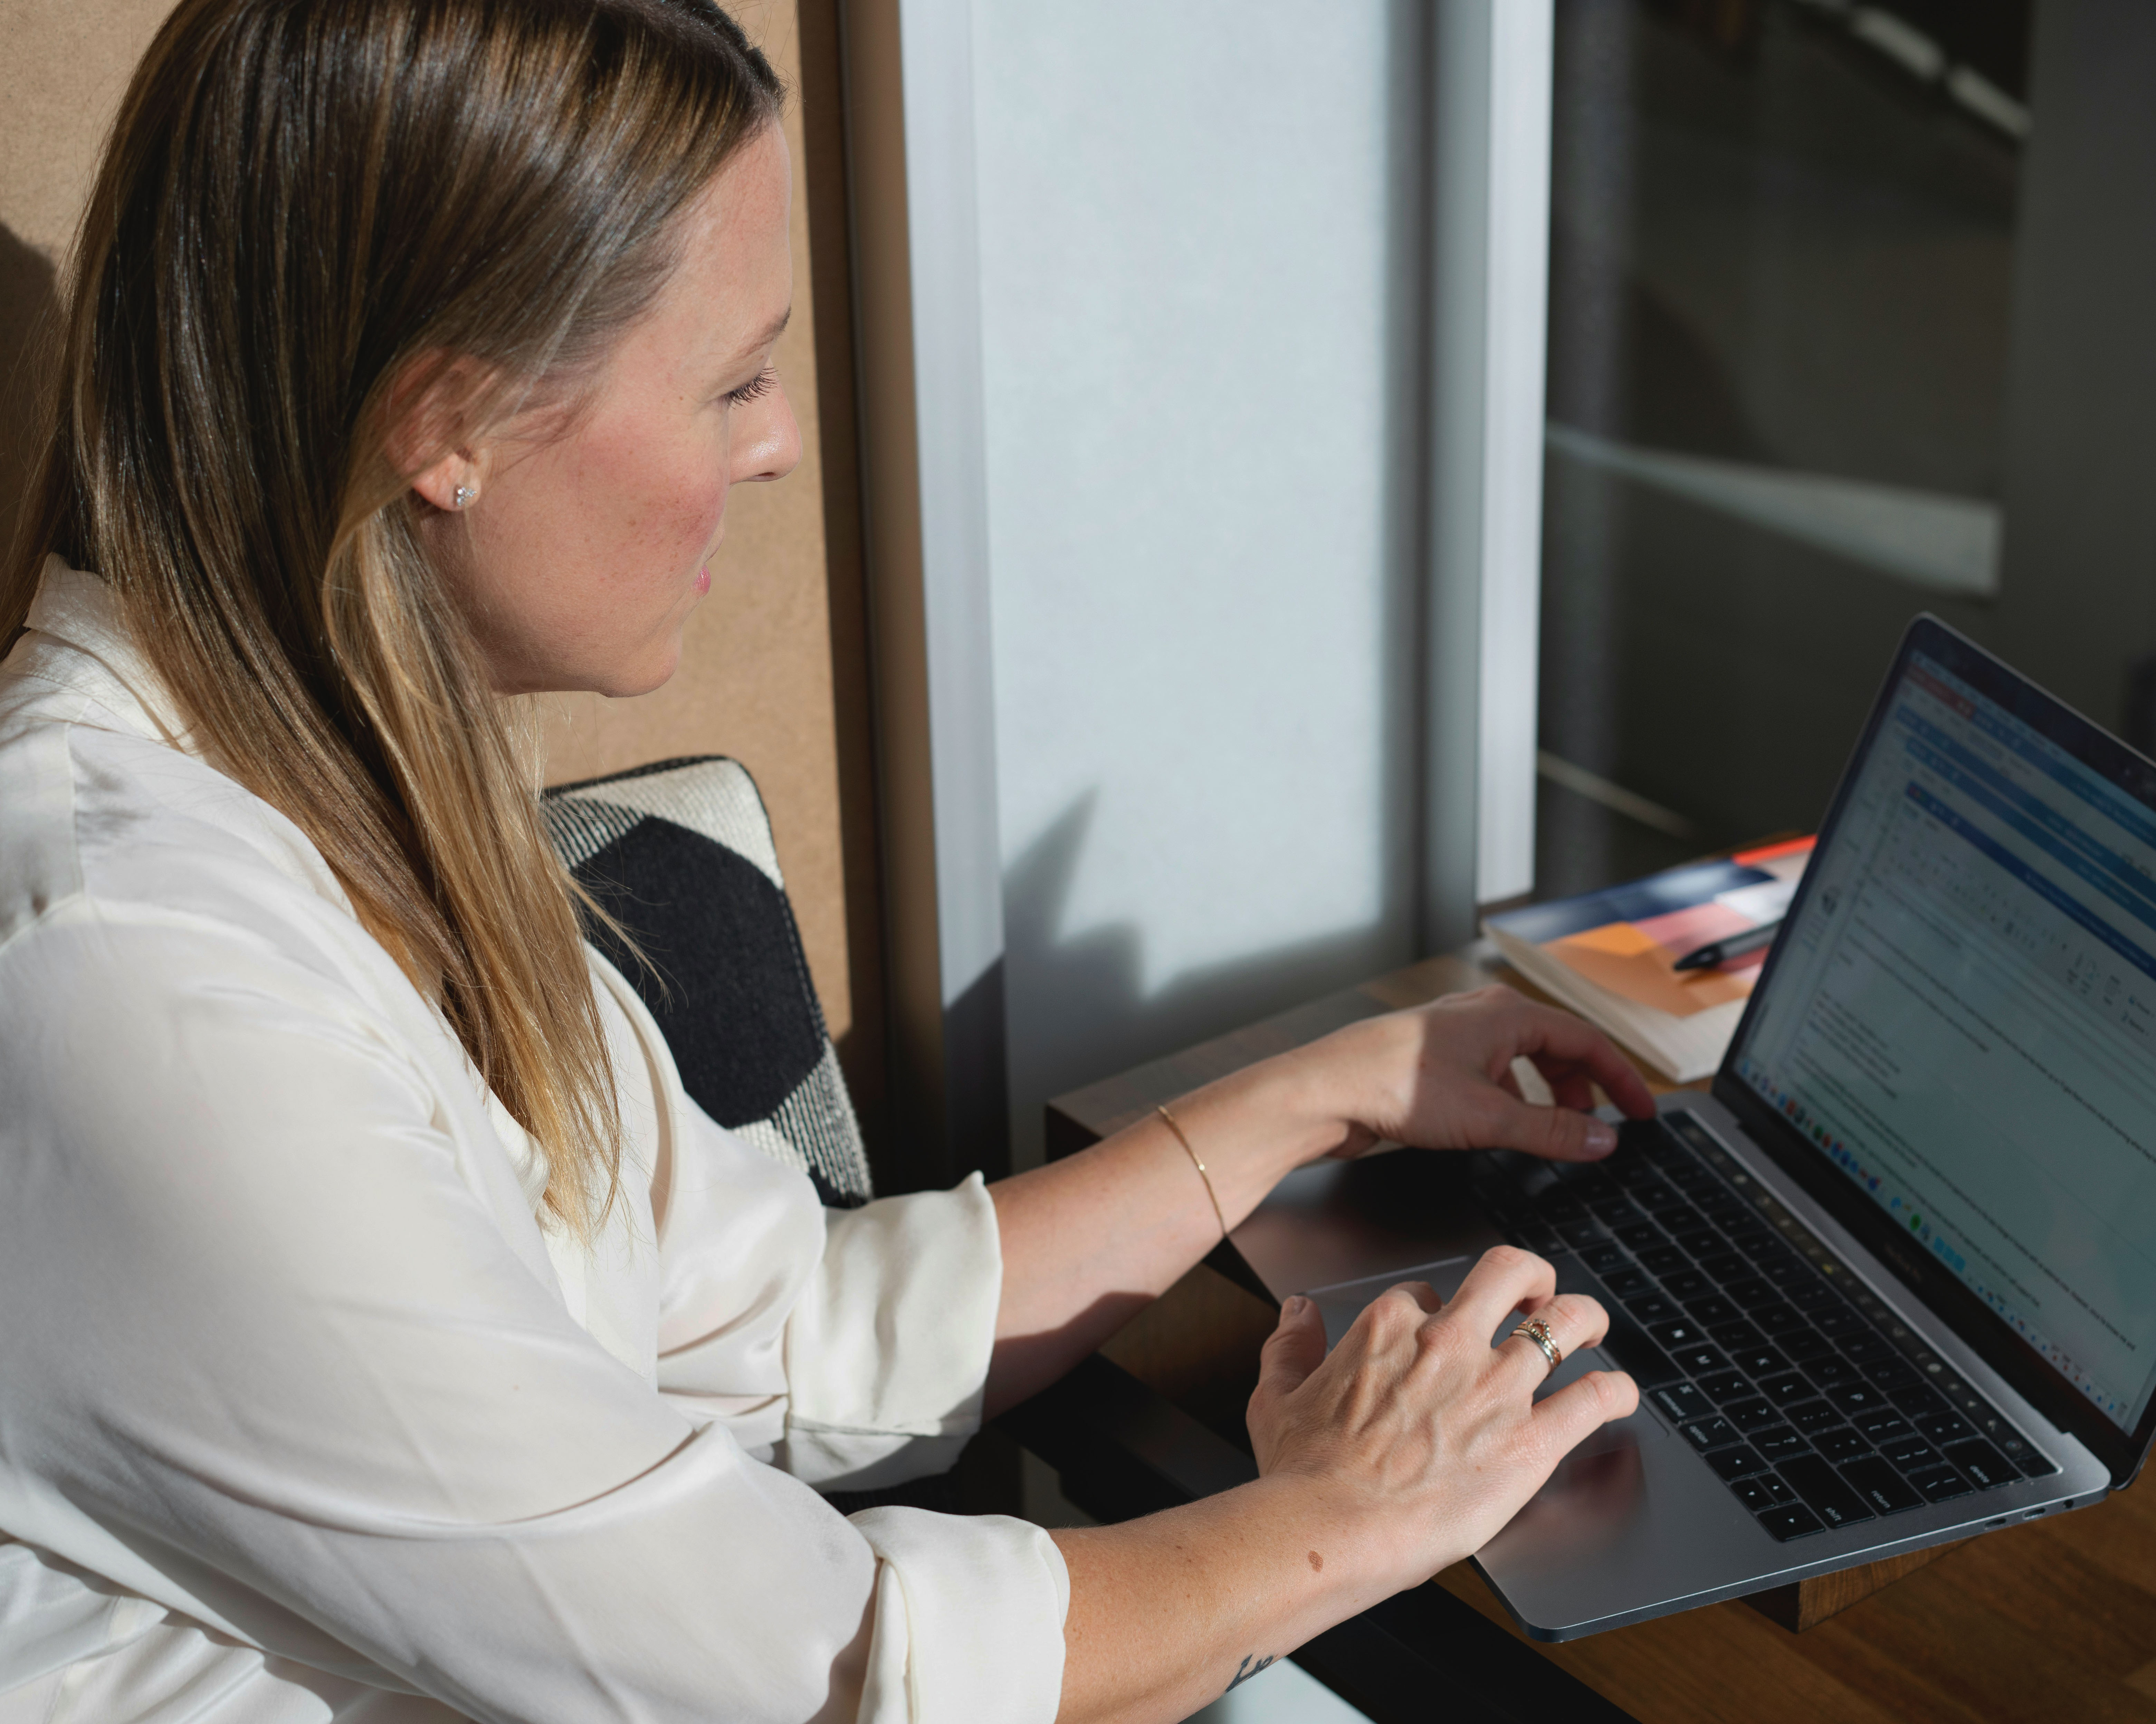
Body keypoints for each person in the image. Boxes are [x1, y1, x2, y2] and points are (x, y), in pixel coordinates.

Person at [0, 2, 1650, 1719]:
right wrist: (1338, 1525)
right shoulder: (135, 983)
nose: (778, 438)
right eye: (729, 377)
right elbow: (818, 1682)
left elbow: (784, 1326)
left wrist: (1335, 1091)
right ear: (447, 425)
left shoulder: (340, 795)